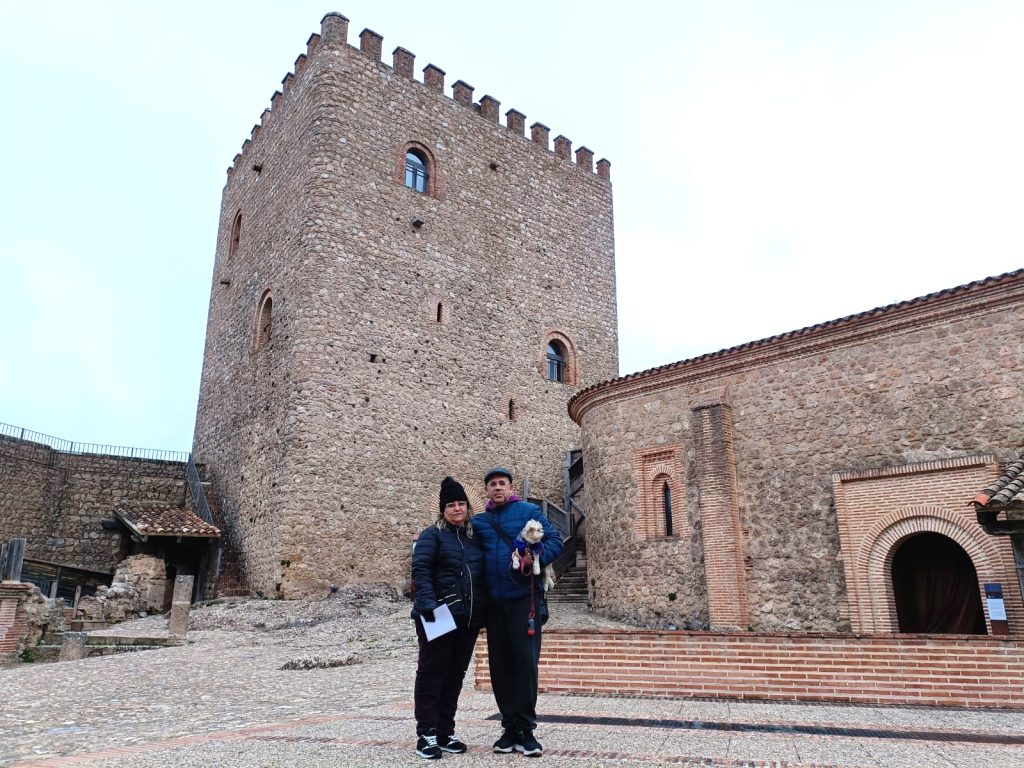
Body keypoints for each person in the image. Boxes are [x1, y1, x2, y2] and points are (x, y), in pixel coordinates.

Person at [473, 466, 563, 758]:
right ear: (486, 490)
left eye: (502, 483)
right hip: (495, 605)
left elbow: (555, 541)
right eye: (492, 484)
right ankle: (508, 727)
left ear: (511, 488)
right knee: (500, 668)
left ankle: (526, 730)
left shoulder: (528, 511)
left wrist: (533, 557)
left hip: (524, 601)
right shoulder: (481, 523)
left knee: (525, 665)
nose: (497, 488)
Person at [411, 476, 487, 759]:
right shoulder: (432, 535)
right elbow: (421, 570)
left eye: (461, 504)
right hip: (438, 615)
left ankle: (445, 731)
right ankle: (426, 734)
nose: (457, 509)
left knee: (455, 676)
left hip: (467, 618)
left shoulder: (474, 537)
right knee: (432, 674)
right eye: (451, 505)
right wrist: (429, 605)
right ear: (443, 510)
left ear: (468, 507)